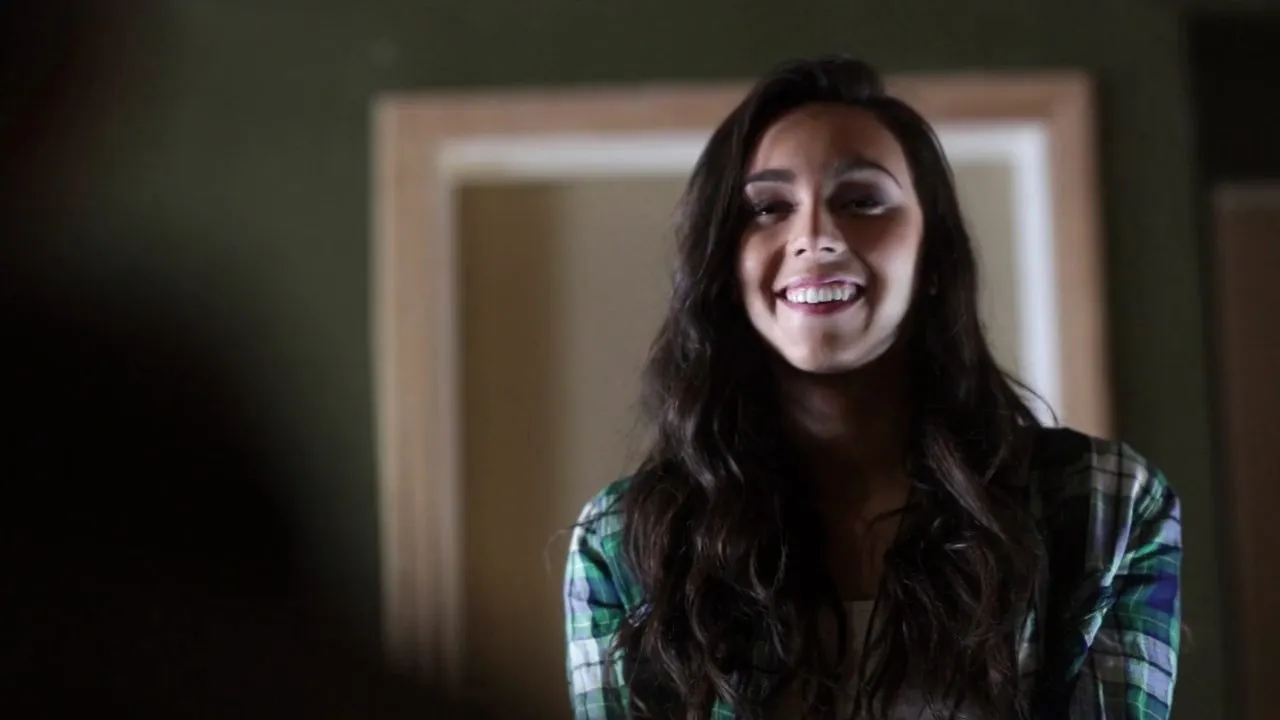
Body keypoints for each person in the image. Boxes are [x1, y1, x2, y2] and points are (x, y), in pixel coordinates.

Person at [563, 56, 1181, 720]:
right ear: (724, 268)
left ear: (933, 257)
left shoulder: (1106, 506)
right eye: (768, 208)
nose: (815, 237)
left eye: (861, 201)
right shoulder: (621, 545)